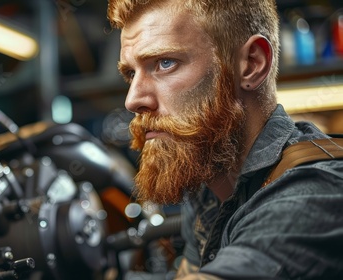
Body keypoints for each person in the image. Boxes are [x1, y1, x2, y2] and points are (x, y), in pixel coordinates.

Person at [107, 0, 343, 279]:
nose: (133, 100)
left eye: (164, 63)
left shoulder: (314, 194)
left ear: (251, 64)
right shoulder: (211, 177)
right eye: (131, 73)